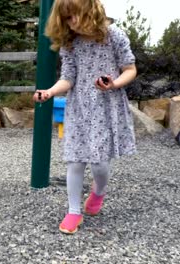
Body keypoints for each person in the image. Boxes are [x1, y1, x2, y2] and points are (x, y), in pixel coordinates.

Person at [33, 0, 137, 234]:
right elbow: (68, 78)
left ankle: (99, 191)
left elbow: (130, 69)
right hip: (79, 108)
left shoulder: (114, 36)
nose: (73, 22)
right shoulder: (70, 44)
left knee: (100, 164)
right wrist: (49, 92)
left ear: (91, 10)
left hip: (105, 107)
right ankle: (73, 211)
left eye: (75, 15)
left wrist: (113, 83)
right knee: (75, 160)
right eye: (67, 18)